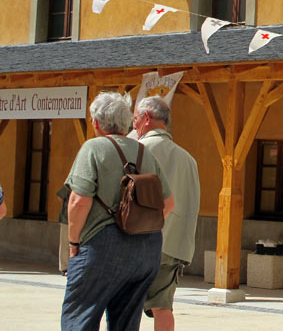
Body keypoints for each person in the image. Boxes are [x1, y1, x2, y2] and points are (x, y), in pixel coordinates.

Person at [61, 92, 175, 331]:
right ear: (126, 122)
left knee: (80, 317)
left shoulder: (93, 148)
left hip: (101, 246)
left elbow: (78, 201)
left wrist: (73, 244)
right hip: (146, 249)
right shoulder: (145, 152)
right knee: (126, 324)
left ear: (96, 122)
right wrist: (135, 224)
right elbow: (168, 204)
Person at [133, 96, 200, 331]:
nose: (133, 126)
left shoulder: (137, 150)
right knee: (163, 307)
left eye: (135, 119)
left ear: (147, 119)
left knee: (125, 304)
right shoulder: (189, 160)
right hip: (173, 246)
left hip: (137, 242)